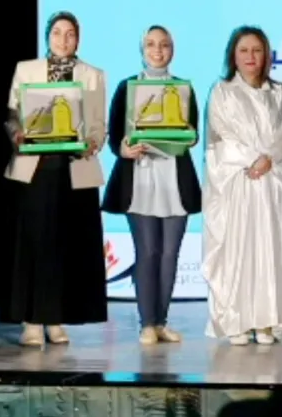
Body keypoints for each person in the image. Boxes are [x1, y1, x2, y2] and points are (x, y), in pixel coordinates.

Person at [1, 11, 109, 347]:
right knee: (34, 245)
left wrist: (94, 141)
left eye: (70, 34)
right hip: (35, 169)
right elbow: (12, 115)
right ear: (47, 36)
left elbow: (98, 123)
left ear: (78, 39)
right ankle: (32, 320)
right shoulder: (27, 70)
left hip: (74, 170)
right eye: (57, 32)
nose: (64, 39)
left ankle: (56, 319)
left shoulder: (92, 75)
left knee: (67, 247)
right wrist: (17, 134)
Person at [202, 26, 282, 346]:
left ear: (267, 56)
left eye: (257, 50)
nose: (250, 57)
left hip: (272, 184)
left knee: (271, 252)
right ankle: (237, 321)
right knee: (239, 252)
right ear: (233, 56)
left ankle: (267, 320)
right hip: (238, 183)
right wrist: (251, 158)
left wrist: (269, 158)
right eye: (244, 50)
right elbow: (220, 137)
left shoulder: (280, 93)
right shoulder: (222, 92)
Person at [102, 26, 202, 345]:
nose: (158, 50)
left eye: (164, 44)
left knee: (170, 253)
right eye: (151, 44)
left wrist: (189, 136)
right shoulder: (127, 87)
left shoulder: (183, 88)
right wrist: (123, 149)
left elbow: (194, 131)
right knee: (147, 251)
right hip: (141, 178)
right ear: (142, 49)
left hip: (174, 178)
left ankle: (161, 322)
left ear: (173, 49)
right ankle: (146, 322)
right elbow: (114, 134)